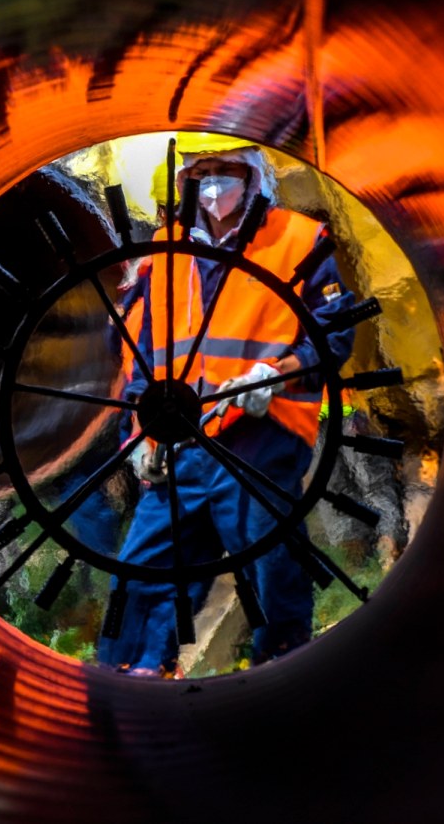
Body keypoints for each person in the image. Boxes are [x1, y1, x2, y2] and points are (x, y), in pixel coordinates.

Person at [97, 132, 357, 677]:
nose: (212, 185)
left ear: (253, 175)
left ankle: (279, 675)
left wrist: (276, 374)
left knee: (270, 561)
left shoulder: (297, 239)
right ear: (184, 180)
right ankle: (129, 680)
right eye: (199, 173)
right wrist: (138, 434)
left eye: (226, 171)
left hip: (261, 434)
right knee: (143, 568)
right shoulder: (163, 253)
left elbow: (333, 334)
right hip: (180, 441)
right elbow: (141, 356)